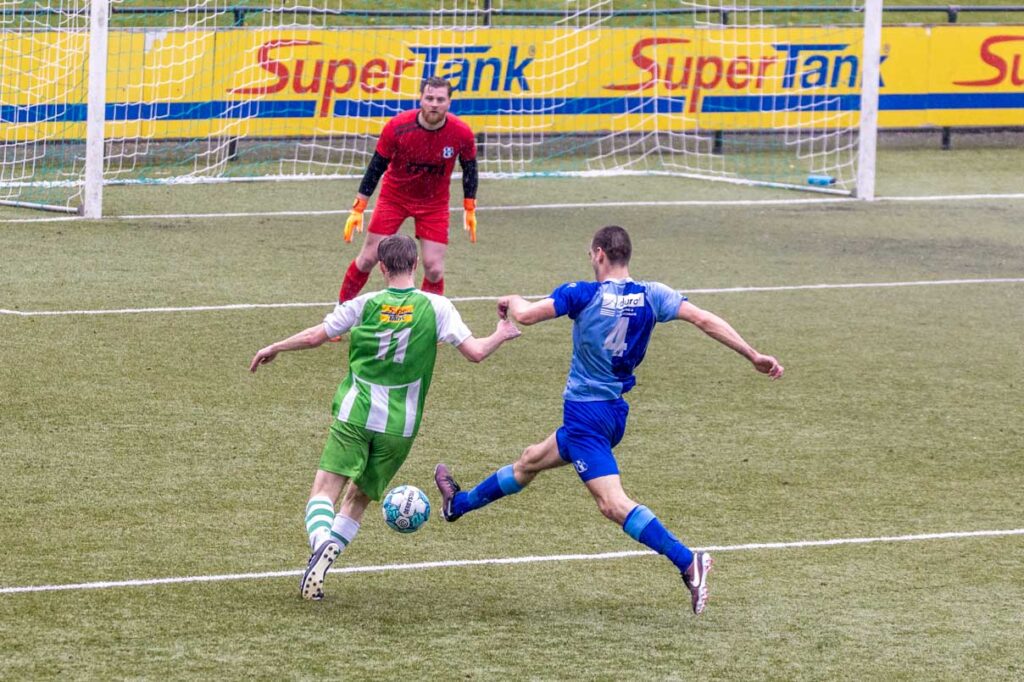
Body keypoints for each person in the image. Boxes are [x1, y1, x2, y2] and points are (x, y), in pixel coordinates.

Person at [433, 225, 784, 615]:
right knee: (530, 460)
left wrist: (511, 299)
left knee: (612, 504)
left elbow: (527, 315)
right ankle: (458, 505)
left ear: (599, 254)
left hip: (586, 416)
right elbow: (704, 319)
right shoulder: (653, 294)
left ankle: (688, 561)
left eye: (591, 254)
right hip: (613, 413)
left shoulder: (582, 293)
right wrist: (753, 355)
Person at [250, 234, 519, 601]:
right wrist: (501, 333)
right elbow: (475, 352)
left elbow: (315, 336)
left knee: (324, 492)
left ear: (381, 267)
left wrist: (276, 346)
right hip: (400, 426)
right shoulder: (437, 306)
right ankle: (322, 564)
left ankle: (321, 542)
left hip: (356, 412)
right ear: (415, 265)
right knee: (357, 500)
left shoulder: (364, 305)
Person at [337, 76, 478, 303]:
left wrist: (469, 206)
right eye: (429, 98)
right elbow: (376, 166)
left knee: (434, 268)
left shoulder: (461, 133)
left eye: (440, 99)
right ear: (420, 99)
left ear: (449, 102)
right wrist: (359, 206)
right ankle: (341, 311)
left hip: (434, 205)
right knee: (368, 258)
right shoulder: (398, 127)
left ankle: (426, 317)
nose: (434, 104)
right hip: (394, 199)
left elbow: (470, 167)